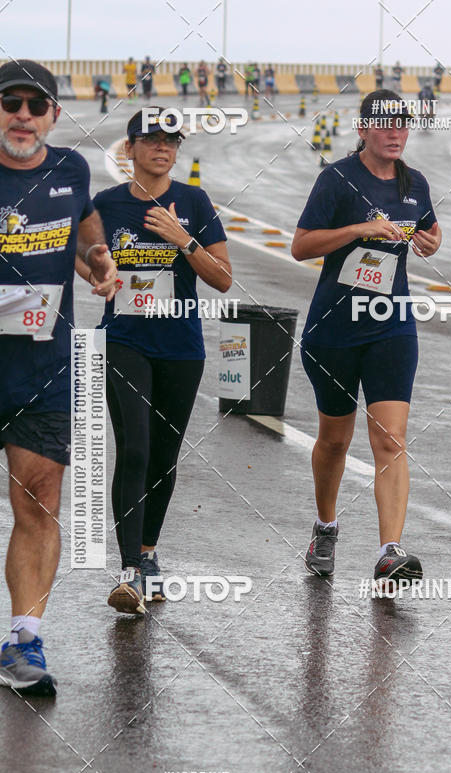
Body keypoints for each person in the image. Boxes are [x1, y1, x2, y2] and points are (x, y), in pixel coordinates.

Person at [76, 109, 232, 614]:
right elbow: (76, 253)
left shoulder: (192, 202)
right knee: (136, 449)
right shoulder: (107, 204)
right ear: (131, 148)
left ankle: (147, 556)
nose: (162, 148)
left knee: (163, 460)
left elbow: (223, 279)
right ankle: (128, 572)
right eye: (152, 140)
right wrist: (96, 276)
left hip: (182, 348)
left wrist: (182, 239)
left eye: (171, 141)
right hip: (125, 341)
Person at [291, 90, 441, 585]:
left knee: (390, 439)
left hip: (391, 325)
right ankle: (325, 525)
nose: (396, 132)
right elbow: (301, 246)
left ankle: (389, 551)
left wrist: (428, 241)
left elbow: (431, 233)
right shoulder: (337, 179)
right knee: (335, 440)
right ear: (363, 128)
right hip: (334, 329)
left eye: (402, 124)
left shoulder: (414, 183)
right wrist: (359, 230)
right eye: (385, 124)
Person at [0, 60, 117, 695]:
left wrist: (98, 260)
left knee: (40, 503)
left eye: (35, 105)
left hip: (42, 368)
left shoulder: (70, 169)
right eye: (10, 103)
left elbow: (86, 224)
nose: (22, 114)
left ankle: (23, 642)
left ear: (53, 115)